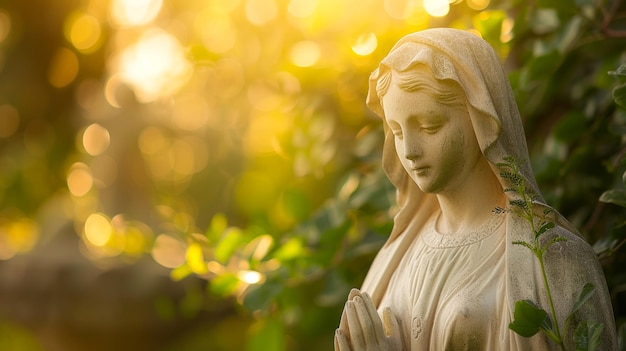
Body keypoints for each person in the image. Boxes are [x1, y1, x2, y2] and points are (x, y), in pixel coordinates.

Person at [334, 28, 617, 350]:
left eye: (430, 126)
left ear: (480, 119)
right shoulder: (396, 254)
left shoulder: (554, 259)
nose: (410, 150)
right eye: (397, 132)